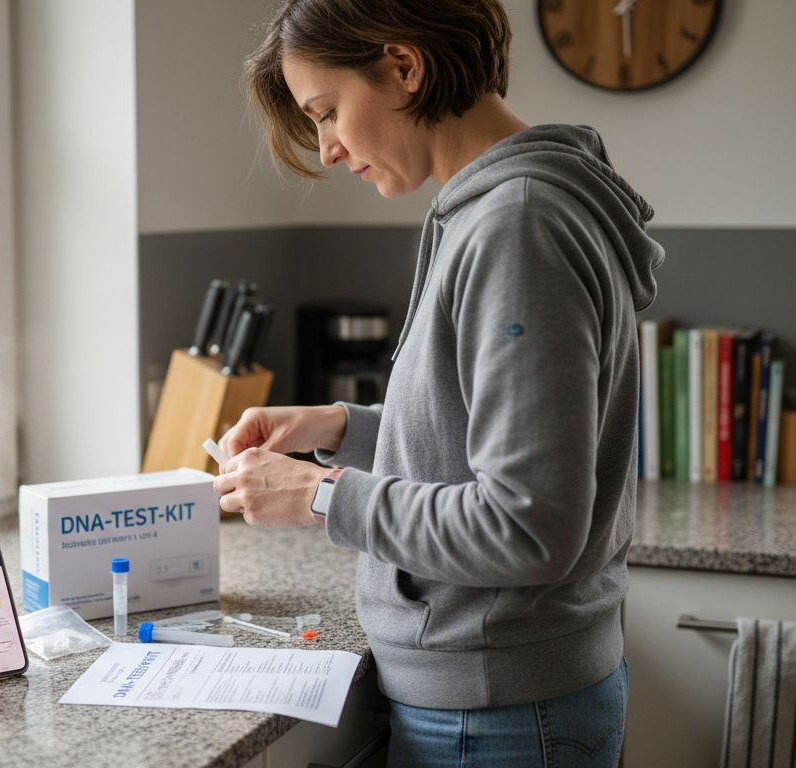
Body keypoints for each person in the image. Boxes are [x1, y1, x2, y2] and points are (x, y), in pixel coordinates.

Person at [214, 1, 665, 765]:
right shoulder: (498, 209)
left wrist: (317, 498)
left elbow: (526, 525)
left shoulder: (517, 223)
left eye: (327, 112)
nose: (326, 149)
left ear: (403, 67)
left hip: (502, 710)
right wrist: (339, 428)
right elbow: (481, 429)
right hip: (506, 695)